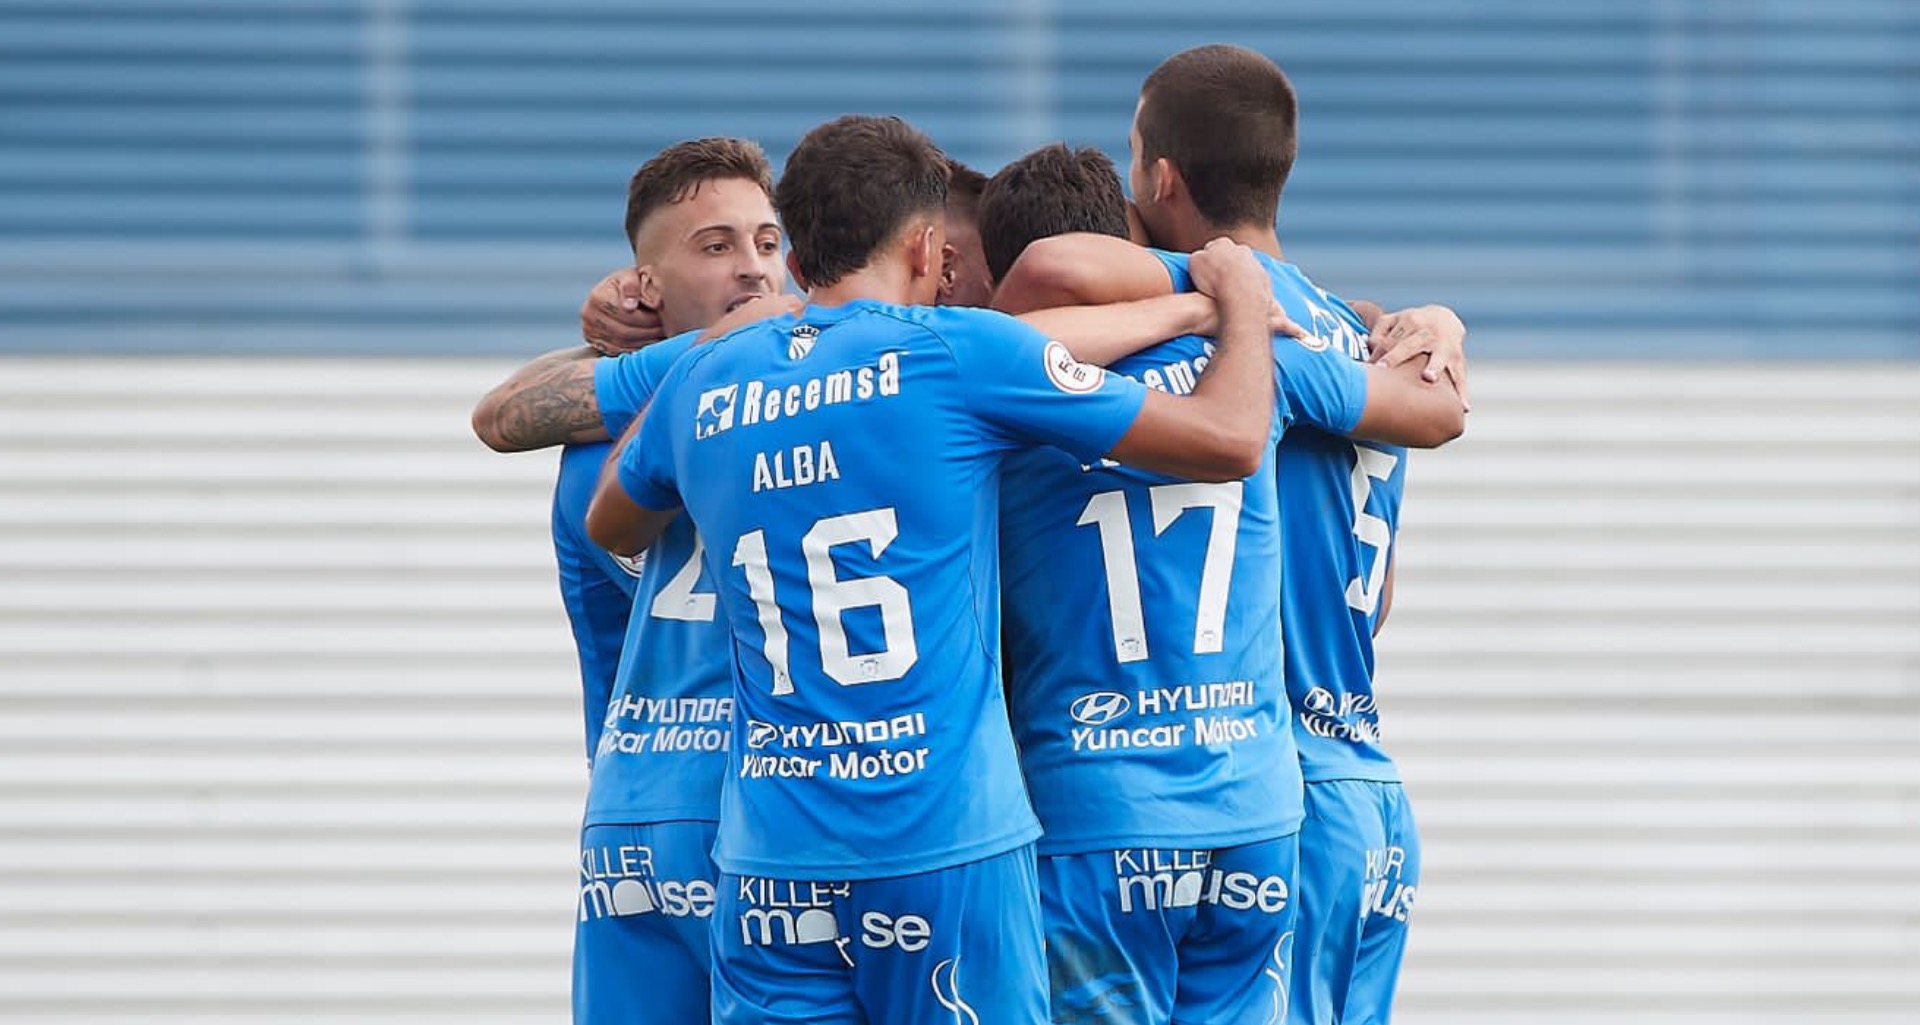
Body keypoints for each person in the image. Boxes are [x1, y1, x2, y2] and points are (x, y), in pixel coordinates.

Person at [585, 113, 1281, 1025]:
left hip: (770, 858)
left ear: (795, 261)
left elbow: (612, 517)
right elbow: (1228, 441)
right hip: (945, 842)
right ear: (925, 246)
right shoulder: (956, 355)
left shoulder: (704, 379)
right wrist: (1218, 303)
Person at [994, 45, 1461, 1025]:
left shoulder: (1242, 329)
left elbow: (1053, 269)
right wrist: (1441, 323)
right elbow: (1372, 595)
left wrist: (1221, 292)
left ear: (1161, 178)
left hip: (1270, 777)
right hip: (1371, 784)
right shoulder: (1357, 336)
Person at [475, 135, 787, 1025]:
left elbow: (505, 412)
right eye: (716, 246)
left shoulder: (587, 428)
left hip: (631, 818)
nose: (755, 271)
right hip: (757, 809)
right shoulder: (818, 396)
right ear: (646, 283)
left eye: (767, 242)